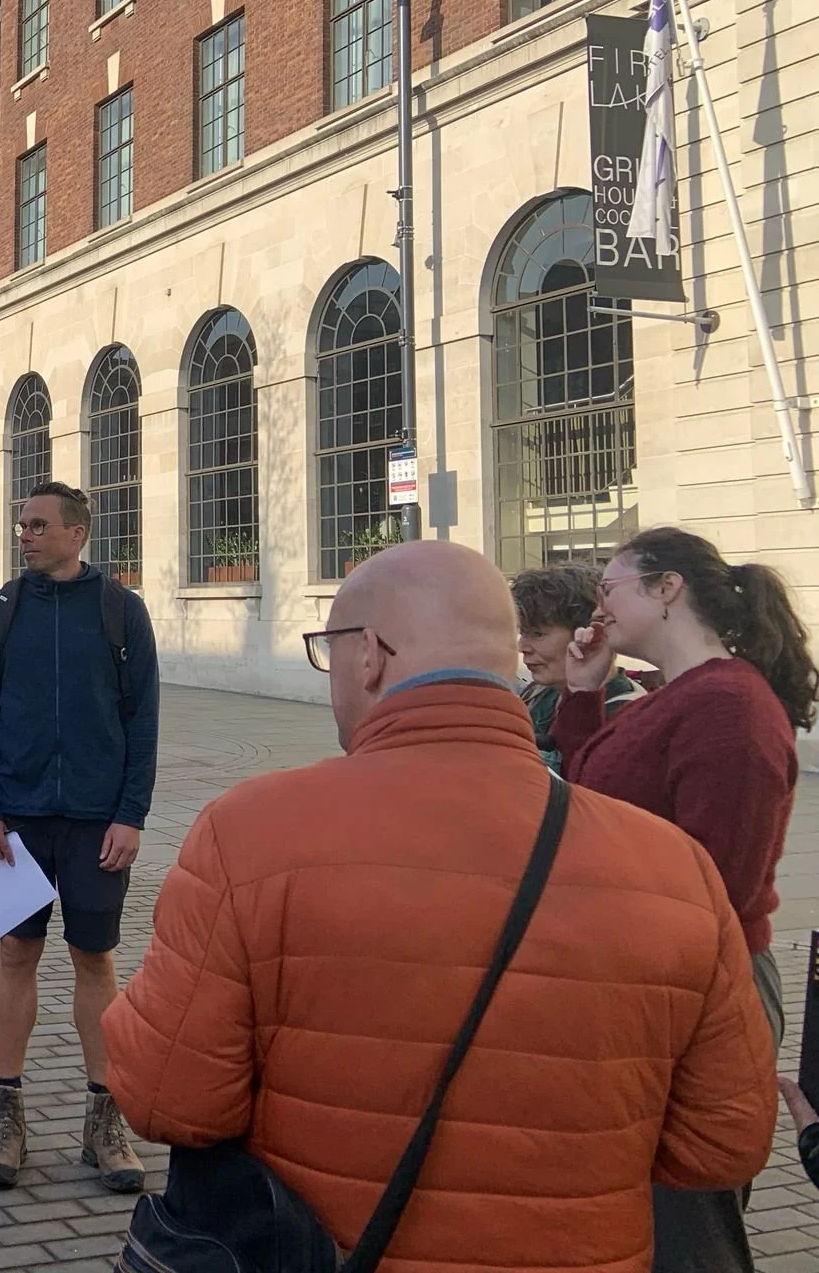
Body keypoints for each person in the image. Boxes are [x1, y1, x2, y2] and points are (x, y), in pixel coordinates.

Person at [103, 540, 778, 1270]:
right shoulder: (676, 869)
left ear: (369, 657)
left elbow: (170, 1098)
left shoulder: (249, 835)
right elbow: (725, 1141)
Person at [556, 526, 816, 1271]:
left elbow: (716, 885)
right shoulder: (674, 699)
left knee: (687, 1228)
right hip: (656, 983)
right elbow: (590, 796)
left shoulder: (728, 707)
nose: (597, 609)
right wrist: (583, 691)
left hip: (700, 991)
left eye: (610, 589)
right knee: (646, 1214)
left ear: (666, 588)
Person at [0, 482, 156, 1194]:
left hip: (97, 823)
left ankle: (104, 1120)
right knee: (16, 951)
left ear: (77, 533)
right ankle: (6, 1114)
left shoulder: (120, 612)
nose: (25, 535)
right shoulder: (1, 612)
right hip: (15, 822)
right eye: (21, 524)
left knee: (94, 960)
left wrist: (131, 813)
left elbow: (144, 721)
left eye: (39, 525)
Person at [510, 562, 642, 770]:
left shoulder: (629, 717)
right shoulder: (536, 694)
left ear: (592, 634)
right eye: (522, 632)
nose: (521, 646)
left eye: (537, 634)